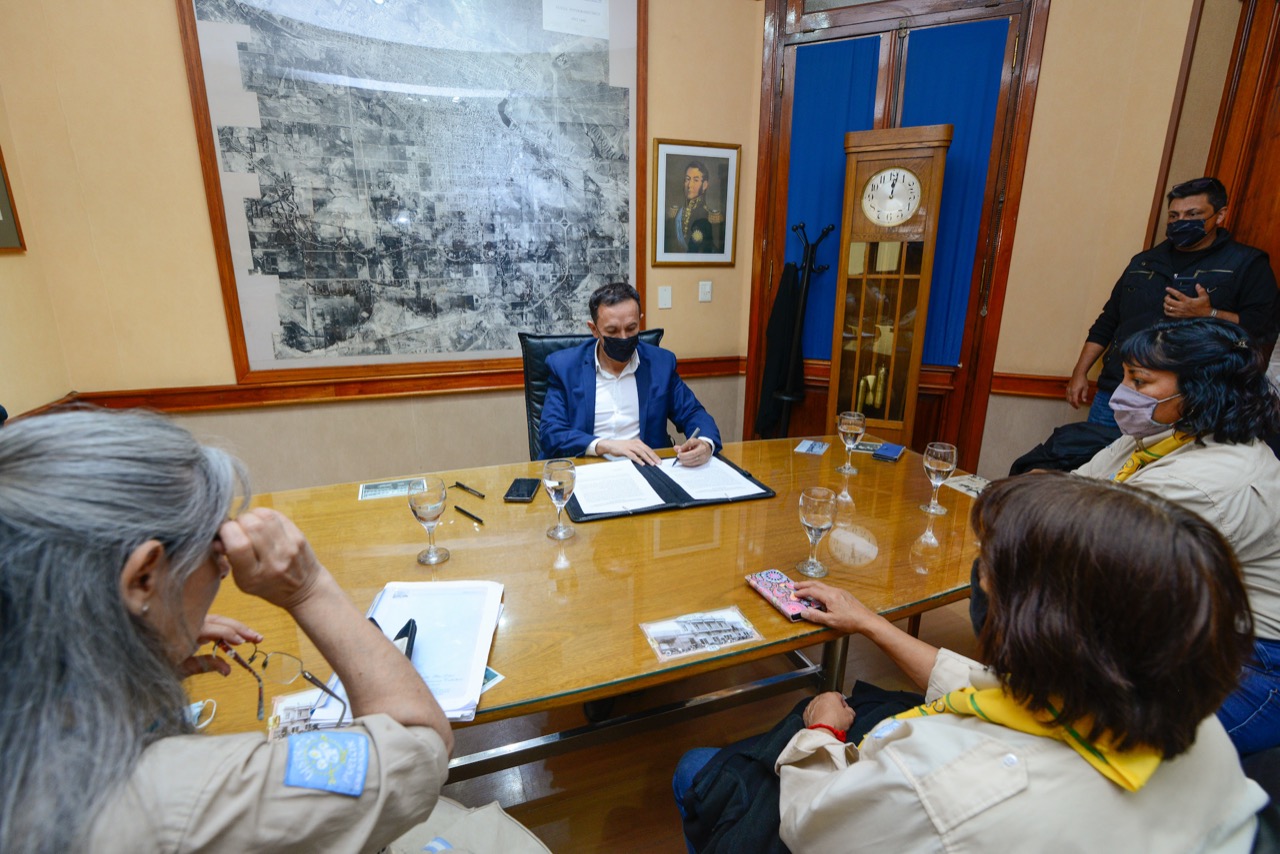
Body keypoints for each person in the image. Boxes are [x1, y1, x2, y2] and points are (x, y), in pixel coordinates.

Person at [676, 473, 1265, 851]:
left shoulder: (937, 781)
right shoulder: (1194, 726)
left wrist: (823, 734)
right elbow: (989, 687)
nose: (979, 576)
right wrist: (870, 622)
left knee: (699, 769)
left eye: (990, 567)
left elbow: (809, 825)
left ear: (1035, 623)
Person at [0, 408, 454, 853]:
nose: (223, 567)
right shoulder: (177, 796)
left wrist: (135, 664)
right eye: (214, 546)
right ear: (143, 578)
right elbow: (419, 747)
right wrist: (309, 589)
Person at [1072, 317, 1280, 755]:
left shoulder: (1205, 482)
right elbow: (1070, 491)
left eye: (1139, 381)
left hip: (1250, 659)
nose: (1121, 392)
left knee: (1096, 740)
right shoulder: (1164, 435)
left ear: (1200, 389)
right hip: (1184, 623)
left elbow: (1101, 558)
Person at [1066, 176, 1279, 427]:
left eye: (1193, 214)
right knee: (1095, 451)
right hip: (1120, 391)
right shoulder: (1144, 262)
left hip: (1191, 400)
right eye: (1174, 216)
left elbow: (1263, 328)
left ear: (1220, 215)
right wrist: (1080, 372)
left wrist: (1209, 313)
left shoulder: (1247, 264)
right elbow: (1108, 321)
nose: (1181, 222)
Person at [540, 281, 721, 465]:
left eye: (631, 328)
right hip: (587, 469)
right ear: (594, 329)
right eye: (612, 331)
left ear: (639, 321)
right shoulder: (565, 367)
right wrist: (606, 445)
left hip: (646, 468)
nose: (624, 337)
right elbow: (551, 433)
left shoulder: (661, 364)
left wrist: (705, 443)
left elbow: (693, 413)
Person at [665, 160, 725, 254]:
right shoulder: (675, 213)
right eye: (687, 179)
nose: (690, 185)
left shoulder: (712, 218)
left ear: (704, 185)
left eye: (695, 180)